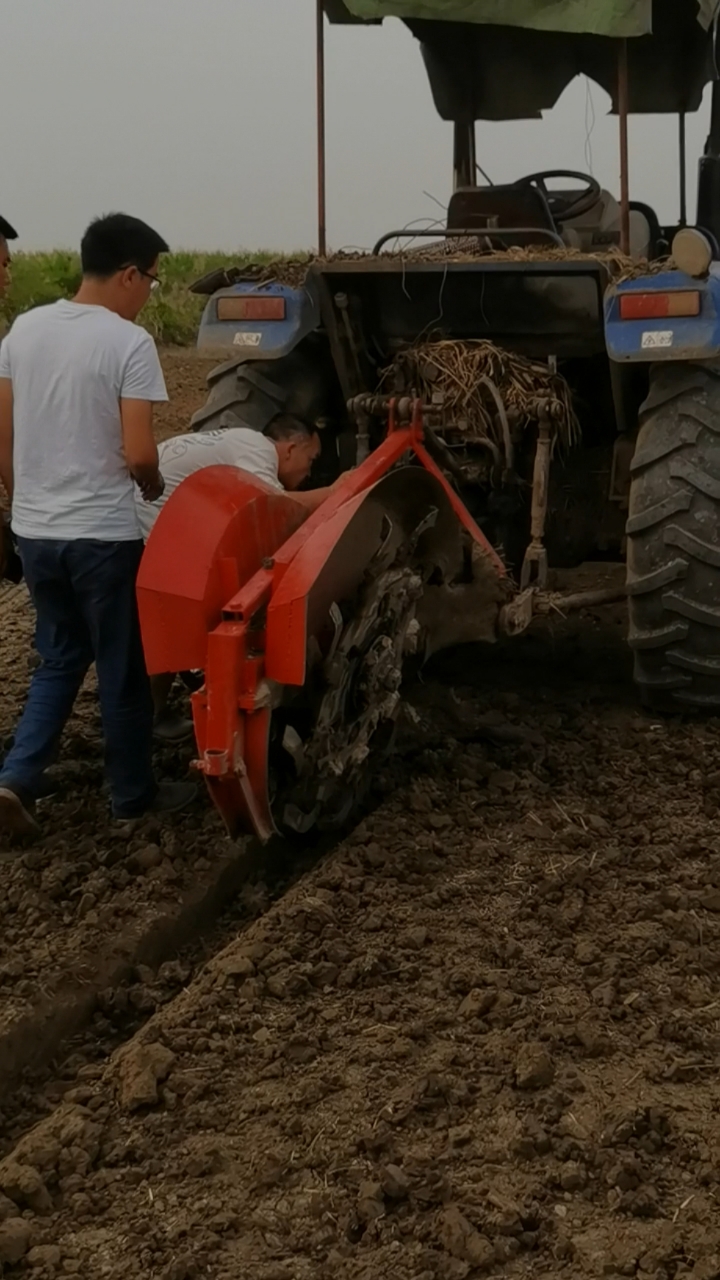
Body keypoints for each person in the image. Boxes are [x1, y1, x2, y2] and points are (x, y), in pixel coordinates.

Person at [0, 212, 196, 837]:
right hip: (102, 540)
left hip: (35, 533)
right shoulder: (126, 342)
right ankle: (132, 798)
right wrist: (153, 484)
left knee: (58, 659)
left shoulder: (22, 331)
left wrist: (23, 503)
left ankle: (15, 779)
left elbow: (3, 437)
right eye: (153, 282)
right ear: (130, 275)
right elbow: (140, 452)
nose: (149, 294)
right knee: (122, 668)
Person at [137, 413, 347, 739]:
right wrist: (334, 491)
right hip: (149, 521)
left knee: (171, 618)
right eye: (311, 459)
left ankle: (158, 708)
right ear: (290, 448)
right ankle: (159, 708)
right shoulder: (258, 450)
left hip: (153, 513)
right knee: (173, 619)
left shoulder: (237, 442)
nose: (309, 471)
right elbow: (276, 504)